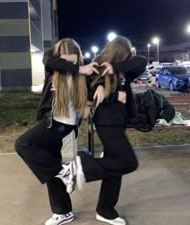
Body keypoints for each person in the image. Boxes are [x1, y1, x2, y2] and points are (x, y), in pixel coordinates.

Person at [58, 36, 147, 225]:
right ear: (118, 52)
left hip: (119, 121)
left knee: (116, 165)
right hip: (107, 122)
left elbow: (142, 62)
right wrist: (113, 93)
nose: (128, 59)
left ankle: (105, 209)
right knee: (128, 162)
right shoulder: (96, 67)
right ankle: (79, 168)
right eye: (125, 56)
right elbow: (89, 92)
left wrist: (116, 68)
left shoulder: (122, 68)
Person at [15, 38, 99, 225]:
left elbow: (98, 82)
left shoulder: (84, 74)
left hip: (66, 128)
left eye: (73, 62)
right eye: (65, 61)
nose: (69, 65)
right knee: (46, 164)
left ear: (79, 58)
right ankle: (62, 212)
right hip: (52, 122)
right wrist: (77, 68)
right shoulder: (53, 68)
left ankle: (64, 176)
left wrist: (98, 86)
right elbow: (49, 59)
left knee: (27, 147)